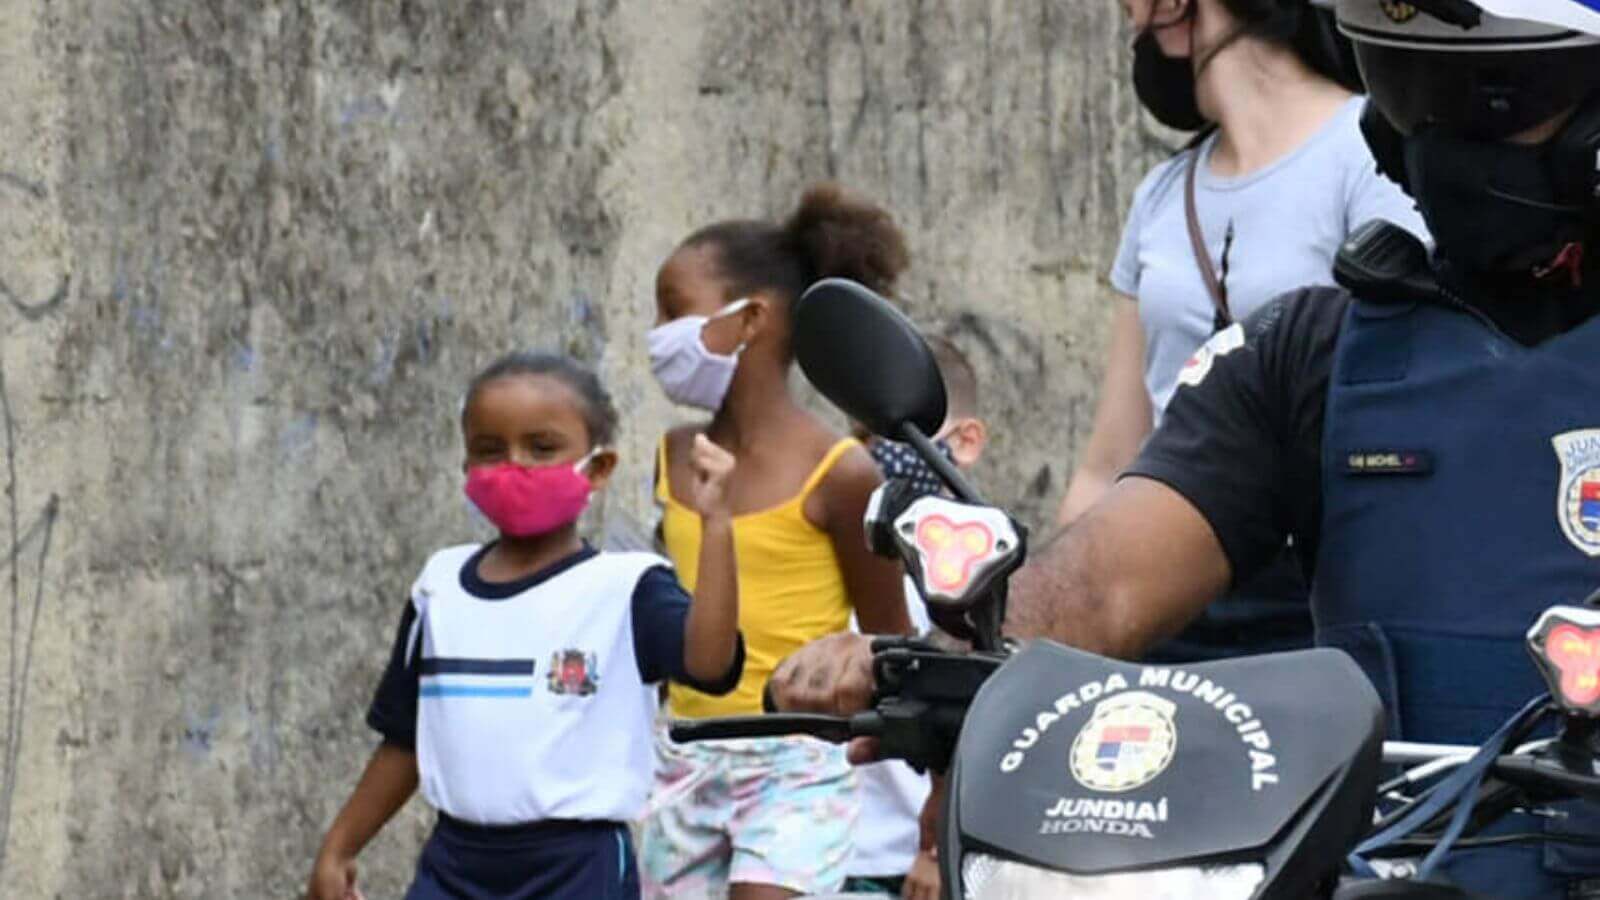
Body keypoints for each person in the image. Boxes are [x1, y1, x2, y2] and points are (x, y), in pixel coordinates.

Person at [770, 1, 1600, 895]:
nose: (1441, 141)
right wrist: (946, 651)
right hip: (1383, 871)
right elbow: (1105, 579)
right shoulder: (1310, 352)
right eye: (1414, 94)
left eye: (1493, 98)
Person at [1057, 0, 1428, 663]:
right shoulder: (1161, 195)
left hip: (1307, 601)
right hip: (1162, 591)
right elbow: (1109, 460)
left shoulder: (1372, 156)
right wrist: (1044, 632)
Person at [307, 352, 744, 900]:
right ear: (466, 464)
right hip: (454, 864)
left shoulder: (627, 588)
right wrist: (340, 846)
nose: (515, 466)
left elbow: (708, 661)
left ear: (600, 468)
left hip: (576, 869)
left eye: (542, 448)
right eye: (490, 450)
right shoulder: (438, 587)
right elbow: (407, 736)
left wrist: (718, 525)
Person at [639, 183, 914, 899]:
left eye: (675, 310)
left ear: (751, 318)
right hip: (685, 755)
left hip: (797, 757)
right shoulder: (673, 458)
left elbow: (893, 642)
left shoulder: (841, 473)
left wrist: (932, 824)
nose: (657, 335)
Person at [843, 336, 988, 900]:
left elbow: (972, 721)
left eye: (898, 432)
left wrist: (933, 852)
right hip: (830, 853)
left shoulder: (982, 572)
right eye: (862, 436)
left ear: (966, 441)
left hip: (910, 865)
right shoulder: (850, 552)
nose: (875, 451)